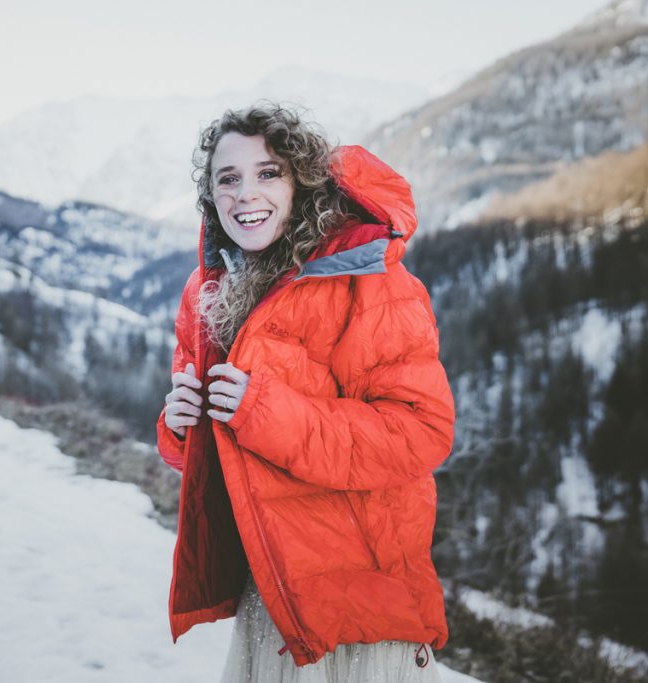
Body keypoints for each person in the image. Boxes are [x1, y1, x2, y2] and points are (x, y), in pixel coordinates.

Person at [155, 102, 456, 682]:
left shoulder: (370, 279)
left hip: (359, 607)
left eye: (268, 173)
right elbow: (197, 453)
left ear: (303, 180)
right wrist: (178, 422)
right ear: (210, 195)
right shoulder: (207, 291)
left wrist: (262, 411)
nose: (246, 194)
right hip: (270, 593)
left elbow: (421, 434)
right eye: (228, 178)